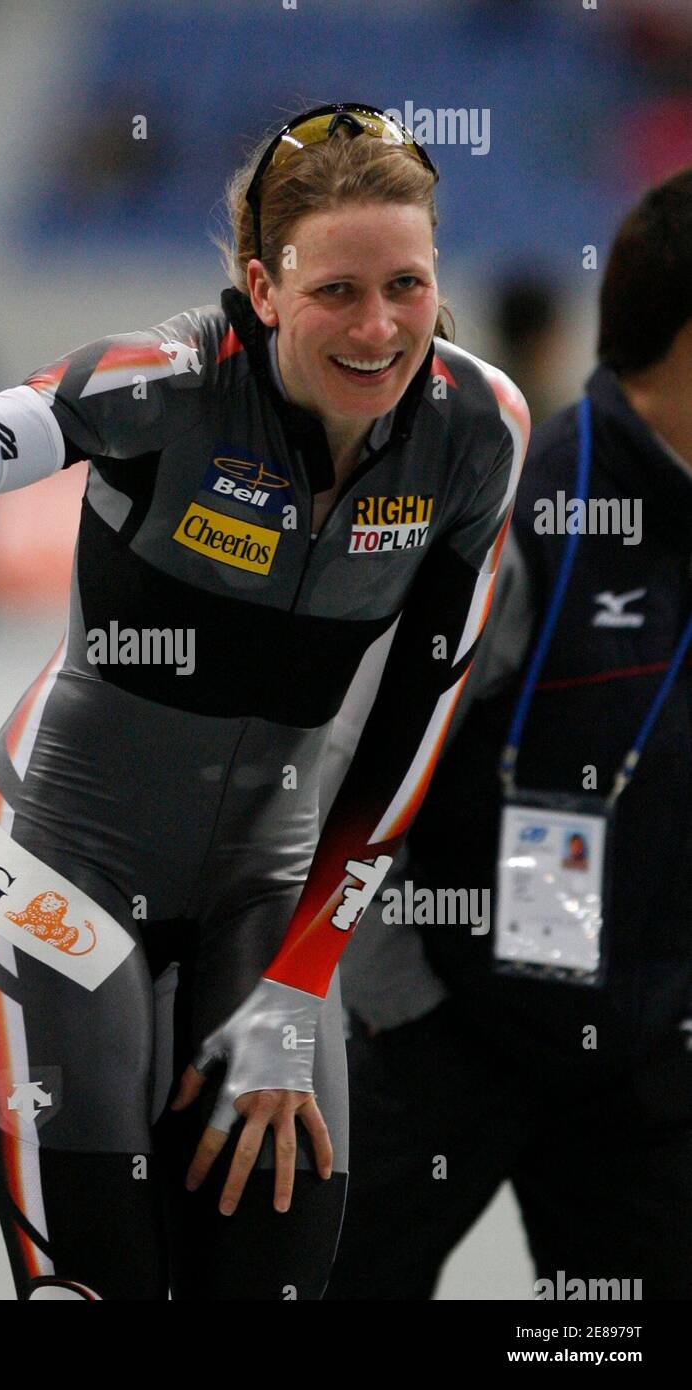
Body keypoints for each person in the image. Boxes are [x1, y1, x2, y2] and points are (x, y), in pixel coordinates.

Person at [0, 103, 530, 1300]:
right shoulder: (152, 384)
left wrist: (305, 979)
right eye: (337, 293)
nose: (380, 329)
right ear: (262, 287)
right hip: (60, 875)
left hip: (266, 887)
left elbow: (411, 729)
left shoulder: (478, 430)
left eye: (406, 285)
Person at [325, 167, 692, 1302]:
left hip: (638, 1064)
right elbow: (353, 758)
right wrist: (396, 1005)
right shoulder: (525, 505)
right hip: (453, 1028)